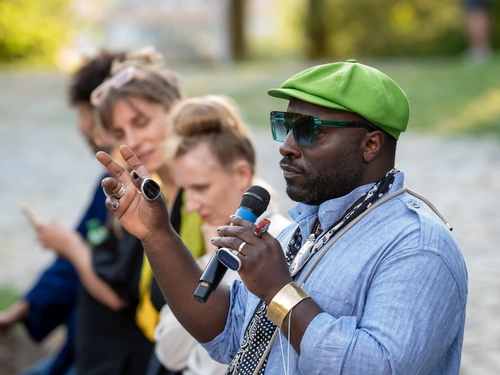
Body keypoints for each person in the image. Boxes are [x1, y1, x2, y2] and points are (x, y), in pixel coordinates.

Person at [96, 59, 468, 374]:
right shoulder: (302, 229)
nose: (287, 146)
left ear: (370, 144)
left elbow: (377, 366)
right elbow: (224, 332)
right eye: (285, 126)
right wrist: (157, 234)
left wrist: (279, 291)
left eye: (309, 131)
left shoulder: (417, 247)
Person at [57, 47, 204, 375]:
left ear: (176, 111)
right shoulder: (148, 190)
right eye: (120, 134)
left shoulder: (203, 193)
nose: (132, 141)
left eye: (142, 122)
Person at [0, 50, 126, 375]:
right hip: (84, 347)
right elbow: (76, 259)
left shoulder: (144, 192)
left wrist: (69, 244)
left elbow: (115, 292)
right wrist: (19, 311)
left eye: (83, 113)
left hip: (115, 357)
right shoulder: (107, 181)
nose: (81, 127)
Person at [153, 95, 291, 375]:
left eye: (201, 188)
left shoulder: (283, 244)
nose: (190, 205)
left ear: (241, 174)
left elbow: (224, 362)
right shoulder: (211, 241)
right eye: (186, 190)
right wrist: (206, 264)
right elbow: (168, 351)